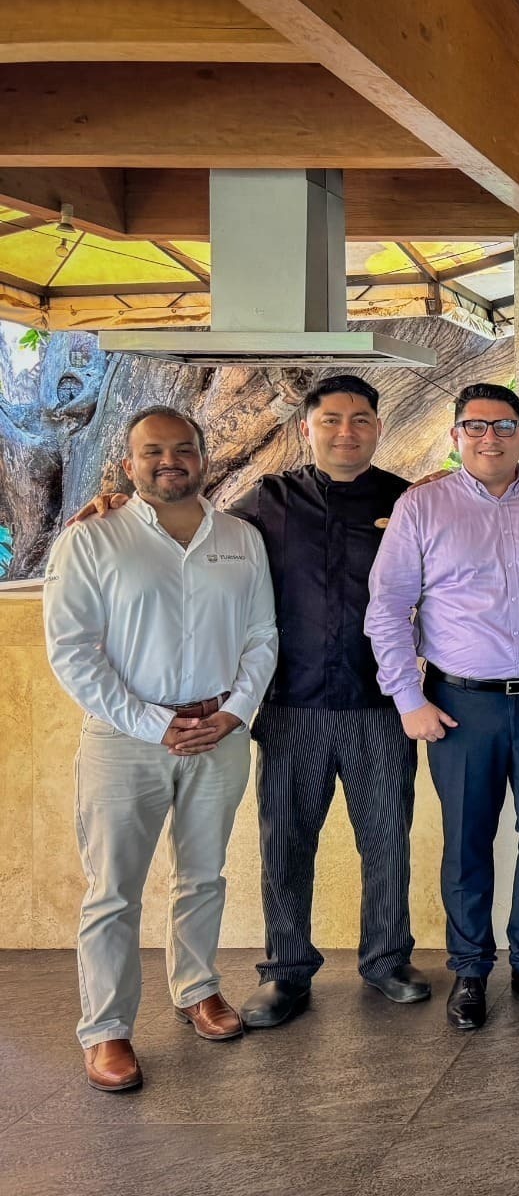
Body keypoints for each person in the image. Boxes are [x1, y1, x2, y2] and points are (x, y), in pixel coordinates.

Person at [43, 407, 277, 1092]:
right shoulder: (91, 538)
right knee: (113, 890)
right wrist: (151, 723)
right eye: (153, 451)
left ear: (204, 458)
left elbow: (262, 636)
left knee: (203, 875)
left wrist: (233, 713)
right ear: (128, 462)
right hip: (124, 740)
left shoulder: (241, 538)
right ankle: (107, 1029)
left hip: (218, 733)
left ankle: (197, 989)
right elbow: (72, 650)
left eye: (183, 449)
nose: (169, 461)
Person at [366, 383, 519, 1030]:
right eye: (475, 426)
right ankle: (470, 969)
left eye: (503, 426)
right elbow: (387, 609)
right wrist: (408, 698)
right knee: (468, 838)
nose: (489, 437)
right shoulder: (422, 507)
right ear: (455, 436)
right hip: (460, 705)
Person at [227, 376, 429, 1027]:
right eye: (332, 419)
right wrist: (117, 508)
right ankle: (286, 971)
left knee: (387, 841)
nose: (347, 431)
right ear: (306, 428)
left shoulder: (409, 502)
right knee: (285, 844)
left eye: (361, 419)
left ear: (379, 427)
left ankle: (387, 960)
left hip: (381, 705)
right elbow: (197, 542)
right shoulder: (268, 500)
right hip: (291, 705)